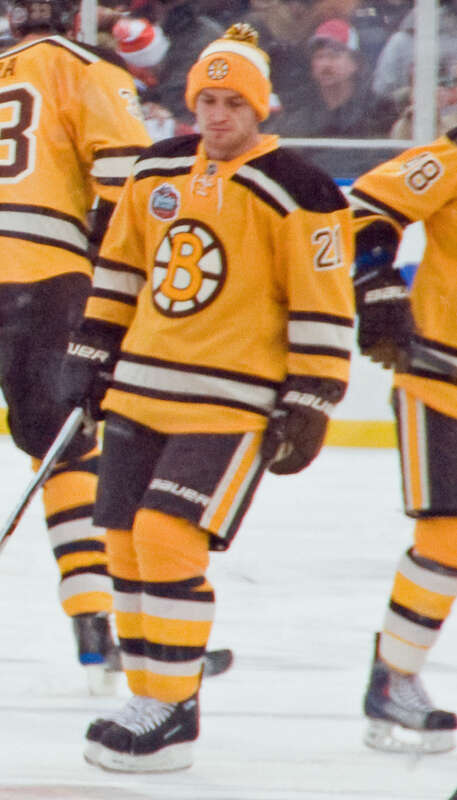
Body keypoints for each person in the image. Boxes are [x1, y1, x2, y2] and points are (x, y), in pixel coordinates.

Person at [59, 22, 355, 772]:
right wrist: (91, 357)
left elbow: (320, 301)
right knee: (121, 541)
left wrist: (313, 395)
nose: (218, 116)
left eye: (233, 102)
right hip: (139, 389)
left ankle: (176, 705)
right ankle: (146, 695)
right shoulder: (154, 173)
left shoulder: (301, 188)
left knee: (167, 538)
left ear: (262, 110)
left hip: (229, 401)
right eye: (207, 100)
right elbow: (119, 270)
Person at [0, 0, 152, 693]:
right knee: (63, 446)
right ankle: (94, 625)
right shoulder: (88, 68)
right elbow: (128, 185)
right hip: (43, 275)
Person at [349, 129, 457, 753]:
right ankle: (395, 677)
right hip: (441, 380)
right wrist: (377, 284)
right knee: (446, 535)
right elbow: (368, 204)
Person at [274, 17, 397, 137]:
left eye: (334, 56)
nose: (325, 64)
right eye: (319, 57)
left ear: (355, 63)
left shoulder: (378, 110)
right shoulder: (297, 111)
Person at [371, 0, 457, 102]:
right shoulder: (402, 41)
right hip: (412, 114)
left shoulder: (400, 41)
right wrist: (409, 94)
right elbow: (381, 94)